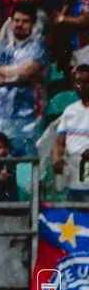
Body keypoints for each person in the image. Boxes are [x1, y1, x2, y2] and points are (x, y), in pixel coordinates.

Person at [0, 2, 45, 156]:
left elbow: (25, 72)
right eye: (16, 20)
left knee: (23, 165)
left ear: (33, 24)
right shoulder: (1, 46)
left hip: (26, 118)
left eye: (25, 21)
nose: (19, 25)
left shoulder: (37, 47)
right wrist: (10, 75)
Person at [53, 64, 89, 201]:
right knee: (72, 211)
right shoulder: (70, 111)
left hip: (88, 165)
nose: (82, 85)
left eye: (87, 82)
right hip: (73, 165)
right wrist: (57, 158)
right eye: (79, 81)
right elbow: (60, 140)